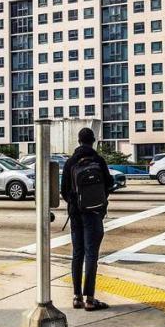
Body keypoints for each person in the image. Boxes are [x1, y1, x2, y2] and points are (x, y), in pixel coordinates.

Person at [61, 127, 113, 311]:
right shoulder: (98, 160)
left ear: (79, 140)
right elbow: (110, 183)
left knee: (78, 254)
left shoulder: (70, 162)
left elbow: (63, 191)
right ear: (93, 140)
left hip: (76, 214)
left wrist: (76, 203)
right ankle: (90, 299)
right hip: (94, 214)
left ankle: (76, 297)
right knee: (92, 255)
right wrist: (98, 203)